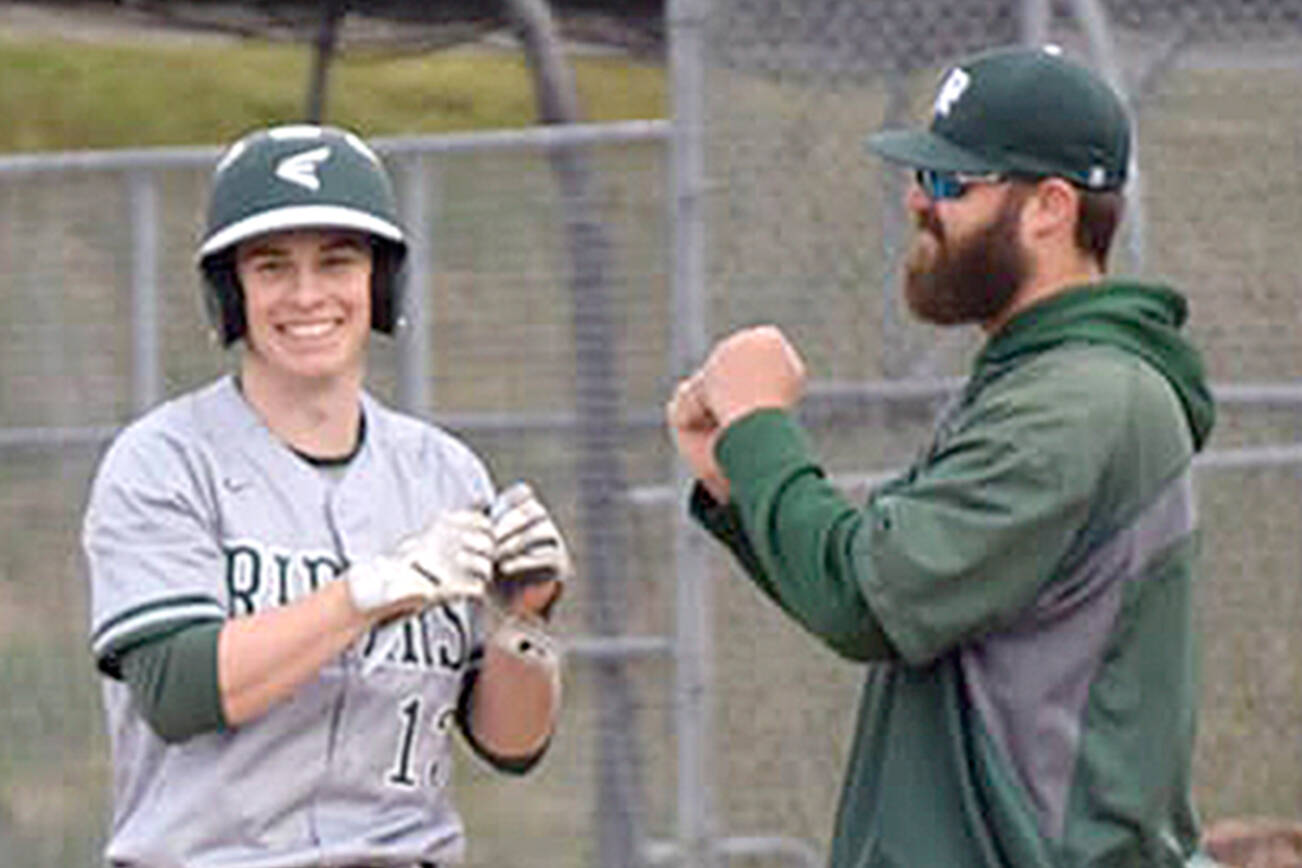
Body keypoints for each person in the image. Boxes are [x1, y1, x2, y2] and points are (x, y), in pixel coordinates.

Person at [667, 46, 1218, 867]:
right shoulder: (1040, 381)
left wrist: (761, 431)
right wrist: (740, 482)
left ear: (1050, 208)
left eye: (954, 182)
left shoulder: (1080, 401)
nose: (918, 199)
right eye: (922, 176)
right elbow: (884, 595)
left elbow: (869, 596)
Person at [82, 123, 571, 868]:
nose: (307, 294)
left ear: (378, 282)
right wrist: (368, 594)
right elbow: (176, 692)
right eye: (271, 266)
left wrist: (525, 624)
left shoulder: (445, 475)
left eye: (337, 261)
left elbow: (510, 747)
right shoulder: (162, 462)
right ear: (231, 291)